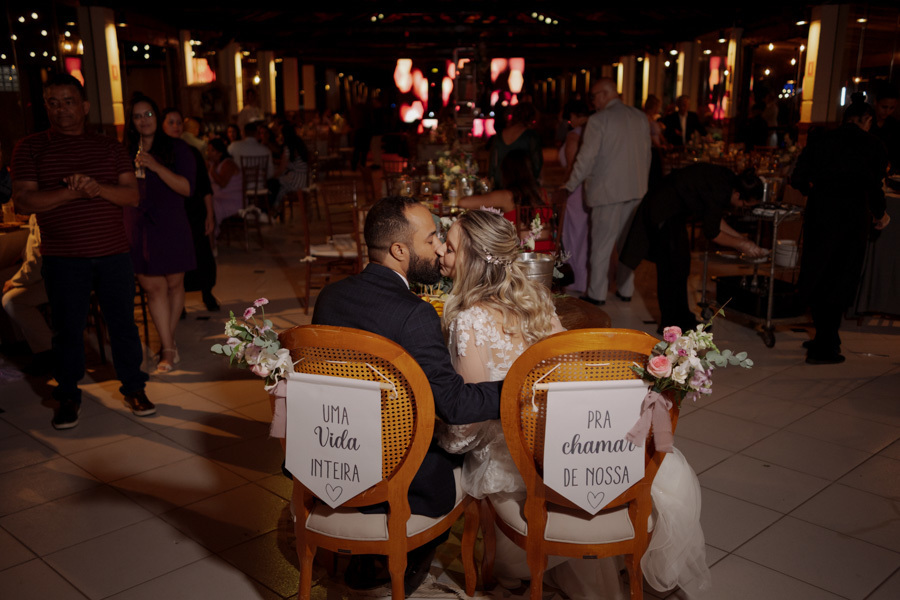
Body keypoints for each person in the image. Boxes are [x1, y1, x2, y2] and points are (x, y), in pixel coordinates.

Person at [436, 209, 710, 599]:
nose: (441, 255)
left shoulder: (469, 320)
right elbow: (575, 374)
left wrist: (442, 434)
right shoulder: (536, 299)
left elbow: (469, 424)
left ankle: (517, 564)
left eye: (450, 247)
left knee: (457, 452)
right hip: (566, 444)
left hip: (519, 460)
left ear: (473, 260)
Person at [312, 195, 503, 595]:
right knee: (463, 447)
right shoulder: (414, 314)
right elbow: (453, 404)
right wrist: (514, 385)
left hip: (334, 457)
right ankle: (410, 547)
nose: (438, 248)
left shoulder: (330, 297)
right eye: (431, 238)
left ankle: (366, 552)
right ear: (399, 250)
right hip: (398, 478)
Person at [11, 73, 152, 428]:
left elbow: (131, 195)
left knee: (122, 326)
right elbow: (24, 201)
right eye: (53, 103)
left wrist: (94, 187)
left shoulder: (109, 147)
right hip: (62, 258)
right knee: (67, 331)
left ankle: (134, 387)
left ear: (84, 106)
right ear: (45, 107)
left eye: (68, 101)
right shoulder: (29, 146)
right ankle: (68, 396)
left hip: (113, 253)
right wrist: (71, 193)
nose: (61, 110)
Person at [790, 93, 890, 364]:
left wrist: (815, 188)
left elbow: (798, 177)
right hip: (851, 219)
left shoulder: (821, 140)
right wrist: (879, 214)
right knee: (841, 278)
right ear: (867, 120)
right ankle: (824, 346)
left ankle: (826, 337)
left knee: (818, 272)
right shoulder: (873, 146)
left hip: (820, 215)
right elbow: (874, 185)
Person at [620, 163, 768, 333]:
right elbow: (713, 233)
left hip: (673, 214)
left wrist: (742, 239)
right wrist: (742, 245)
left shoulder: (728, 182)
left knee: (681, 266)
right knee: (670, 269)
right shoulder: (721, 190)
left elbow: (714, 219)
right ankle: (669, 324)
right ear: (737, 194)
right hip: (662, 211)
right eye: (744, 205)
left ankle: (683, 319)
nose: (742, 208)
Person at [562, 77, 651, 305]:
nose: (592, 102)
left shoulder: (599, 120)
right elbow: (647, 155)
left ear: (604, 94)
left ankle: (596, 294)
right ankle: (626, 289)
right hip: (636, 190)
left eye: (593, 96)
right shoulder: (640, 117)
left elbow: (586, 159)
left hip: (607, 192)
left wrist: (570, 186)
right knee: (627, 245)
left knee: (601, 245)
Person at [125, 93, 197, 373]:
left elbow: (186, 188)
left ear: (157, 116)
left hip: (171, 223)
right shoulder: (126, 150)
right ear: (132, 122)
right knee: (153, 288)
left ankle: (168, 344)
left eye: (149, 114)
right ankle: (168, 348)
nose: (144, 120)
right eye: (138, 116)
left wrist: (155, 165)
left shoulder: (177, 149)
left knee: (174, 285)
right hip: (138, 225)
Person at [161, 108, 219, 312]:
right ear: (162, 125)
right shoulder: (158, 154)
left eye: (179, 123)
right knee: (177, 259)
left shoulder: (192, 151)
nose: (176, 126)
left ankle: (207, 293)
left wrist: (210, 213)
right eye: (171, 122)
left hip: (194, 210)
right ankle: (179, 304)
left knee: (202, 253)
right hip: (171, 213)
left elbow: (205, 186)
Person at [458, 149, 553, 251]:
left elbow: (463, 202)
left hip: (521, 255)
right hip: (546, 254)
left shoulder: (506, 196)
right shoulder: (543, 193)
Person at [1, 215, 52, 374]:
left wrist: (16, 281)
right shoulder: (36, 215)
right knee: (2, 278)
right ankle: (20, 342)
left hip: (58, 278)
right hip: (45, 273)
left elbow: (37, 263)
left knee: (12, 300)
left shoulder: (42, 215)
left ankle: (48, 351)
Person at [558, 99, 591, 294]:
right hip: (588, 189)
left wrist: (562, 188)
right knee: (585, 237)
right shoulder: (594, 131)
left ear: (573, 116)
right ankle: (586, 280)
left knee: (573, 236)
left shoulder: (573, 135)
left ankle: (575, 280)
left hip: (575, 190)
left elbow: (571, 168)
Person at [488, 102, 542, 189]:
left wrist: (492, 180)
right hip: (522, 181)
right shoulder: (531, 136)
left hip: (501, 179)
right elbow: (537, 163)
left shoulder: (500, 135)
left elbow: (493, 163)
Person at [270, 123, 310, 215]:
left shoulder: (289, 147)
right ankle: (276, 208)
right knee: (278, 184)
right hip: (304, 179)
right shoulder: (299, 143)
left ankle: (274, 209)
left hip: (296, 180)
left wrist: (271, 175)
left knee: (275, 184)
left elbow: (281, 169)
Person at [207, 138, 243, 232]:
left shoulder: (228, 163)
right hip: (219, 197)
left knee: (210, 206)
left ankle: (212, 235)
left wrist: (212, 171)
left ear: (220, 152)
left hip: (231, 200)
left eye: (212, 150)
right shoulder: (212, 163)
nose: (209, 153)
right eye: (208, 150)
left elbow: (222, 183)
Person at [870, 83, 899, 174]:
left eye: (892, 108)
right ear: (875, 102)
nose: (887, 111)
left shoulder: (893, 125)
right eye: (884, 107)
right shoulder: (866, 122)